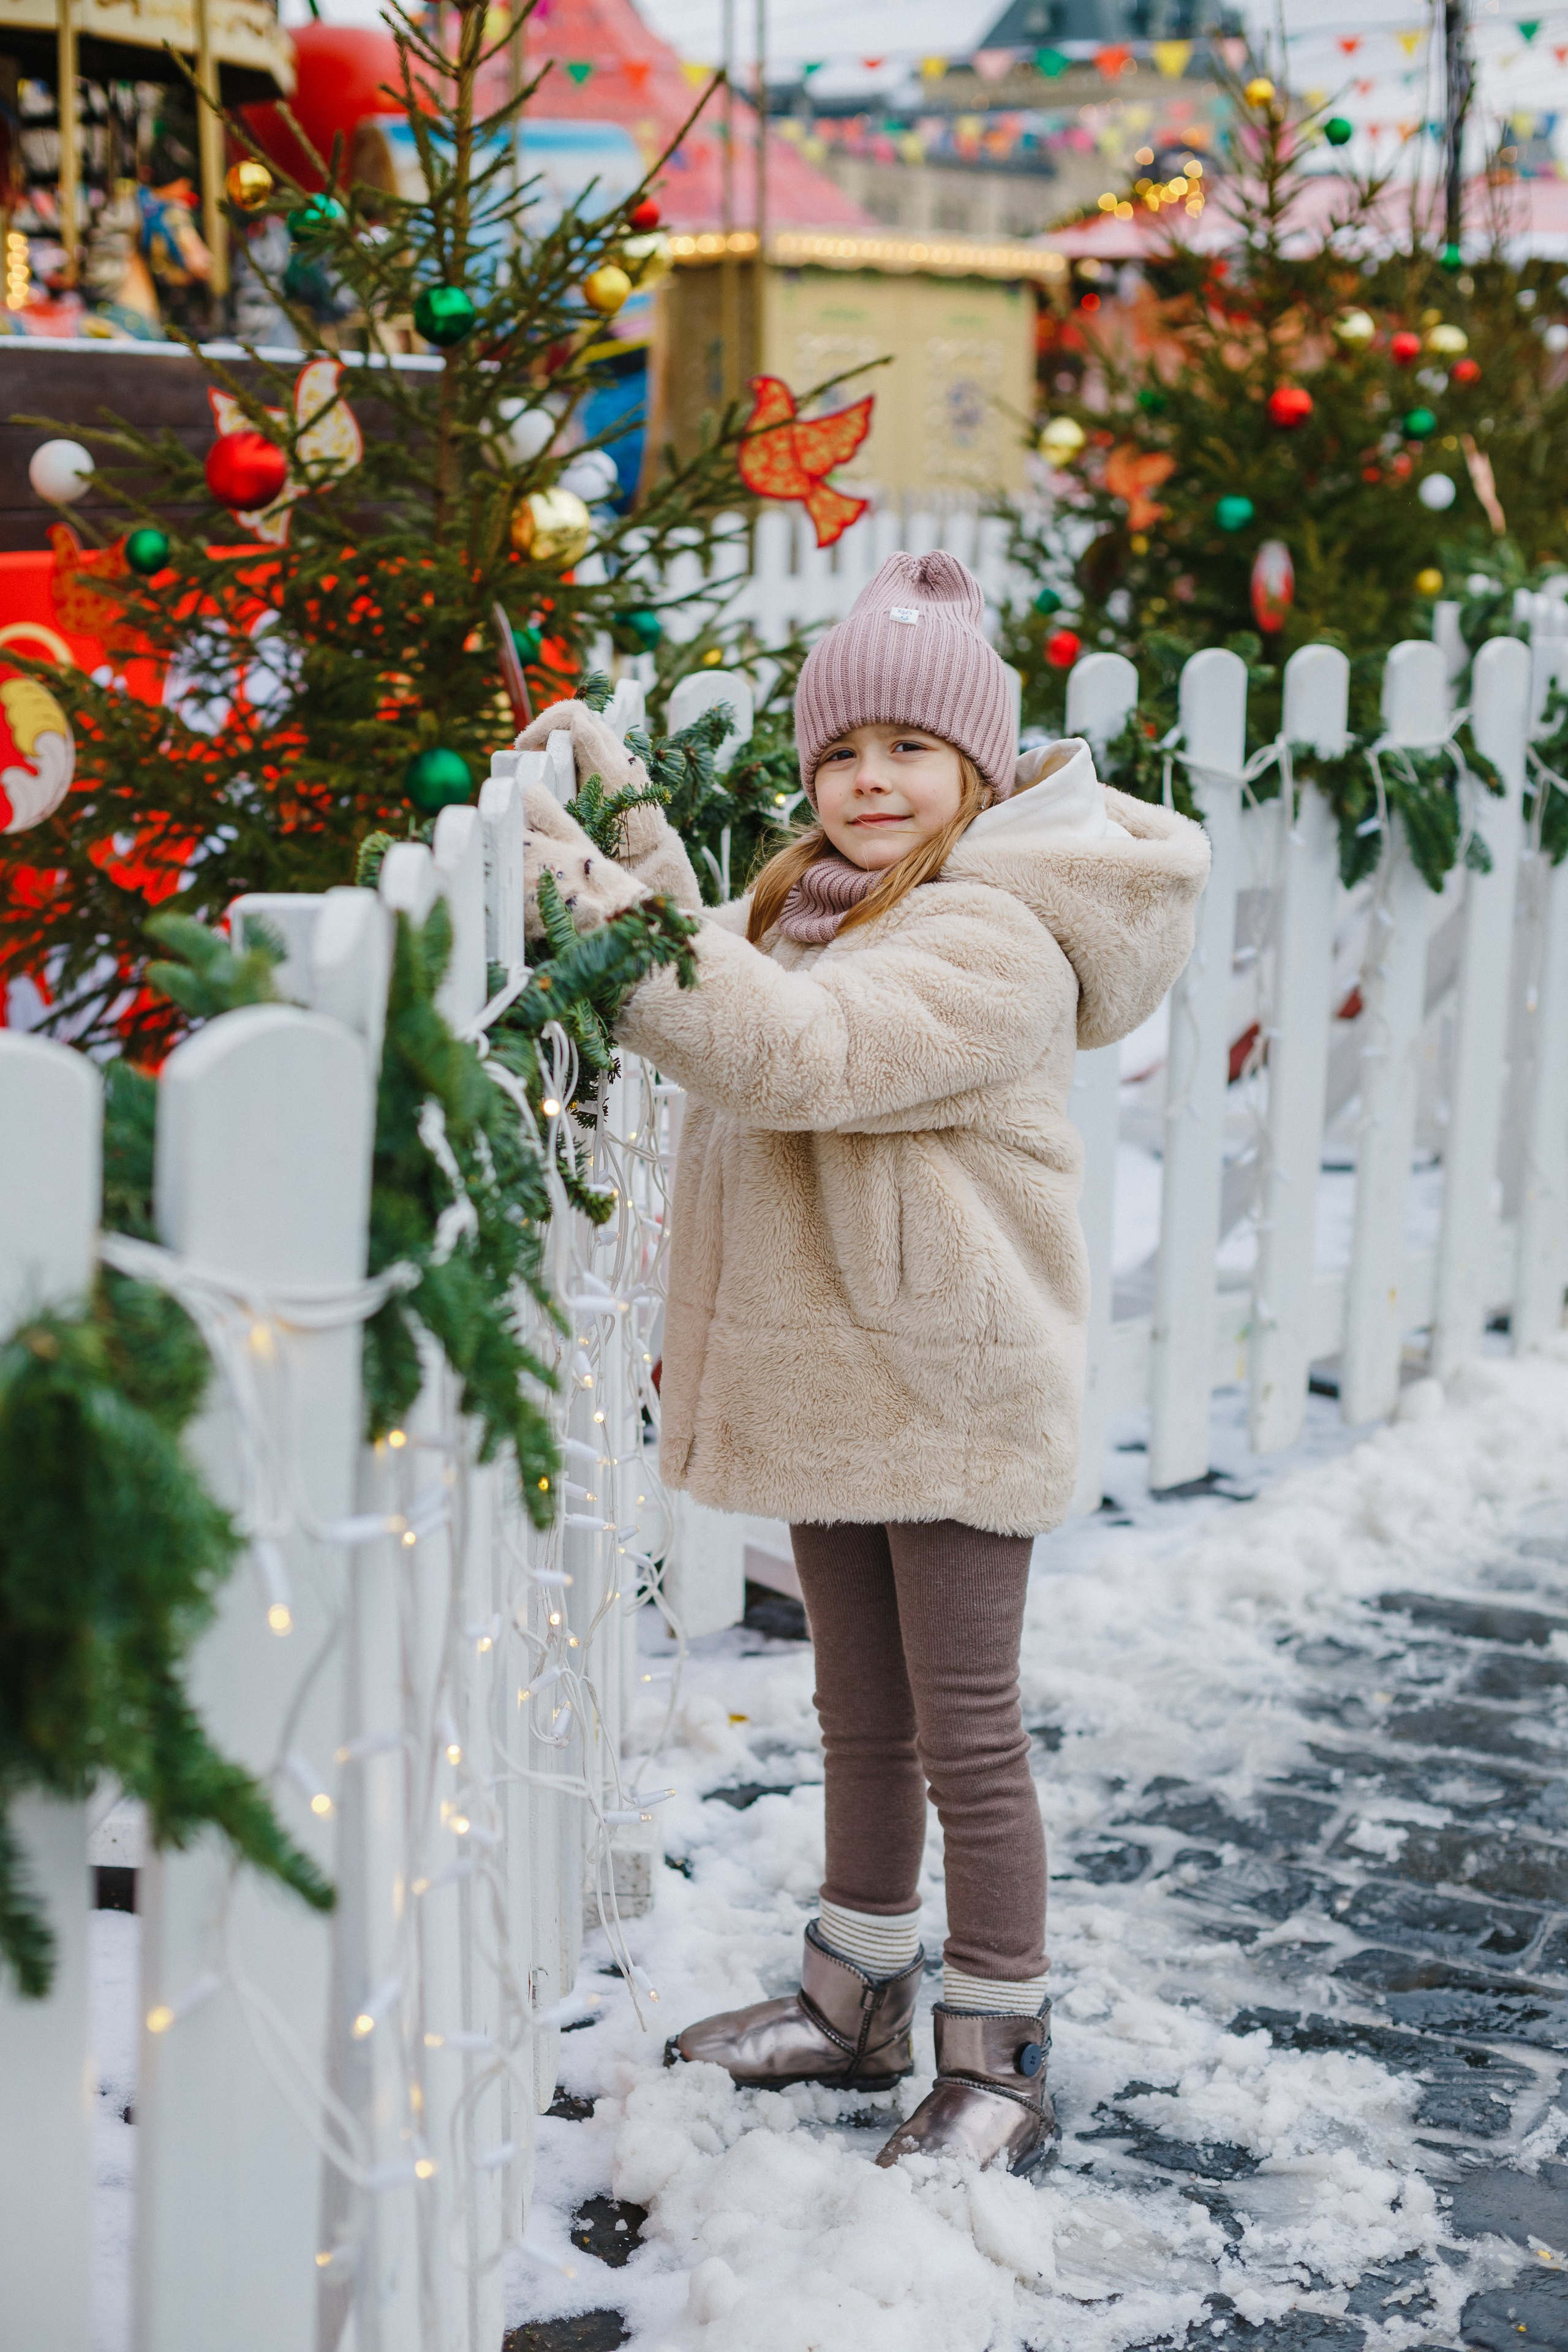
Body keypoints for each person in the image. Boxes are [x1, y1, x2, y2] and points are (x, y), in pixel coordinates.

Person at [520, 551, 1208, 2177]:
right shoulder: (816, 900)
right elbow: (728, 968)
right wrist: (622, 825)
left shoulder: (996, 943)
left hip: (953, 1383)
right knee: (855, 1713)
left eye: (909, 750)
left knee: (965, 1731)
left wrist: (581, 904)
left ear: (977, 772)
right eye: (840, 753)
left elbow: (791, 1049)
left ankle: (1001, 2046)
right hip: (846, 1375)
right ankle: (857, 1997)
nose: (869, 780)